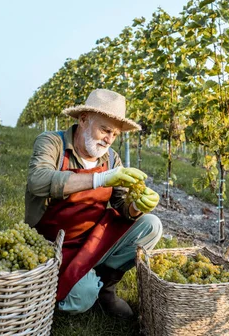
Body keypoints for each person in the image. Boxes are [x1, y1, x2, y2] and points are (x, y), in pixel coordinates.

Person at [24, 88, 162, 318]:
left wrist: (137, 206)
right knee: (80, 299)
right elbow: (37, 181)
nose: (109, 139)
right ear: (83, 119)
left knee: (151, 224)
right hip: (54, 243)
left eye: (115, 134)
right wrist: (99, 179)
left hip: (92, 238)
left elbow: (121, 205)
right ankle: (77, 287)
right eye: (105, 129)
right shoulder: (52, 143)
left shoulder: (111, 159)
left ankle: (106, 288)